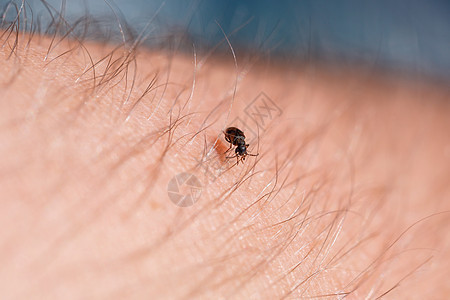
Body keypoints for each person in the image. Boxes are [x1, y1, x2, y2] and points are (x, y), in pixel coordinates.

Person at [0, 1, 449, 298]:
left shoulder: (238, 141)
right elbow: (231, 136)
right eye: (238, 150)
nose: (237, 152)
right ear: (237, 145)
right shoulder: (234, 139)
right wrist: (227, 142)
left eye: (237, 150)